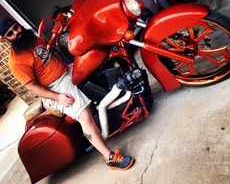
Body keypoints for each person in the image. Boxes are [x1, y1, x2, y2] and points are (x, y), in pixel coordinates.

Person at [0, 17, 134, 171]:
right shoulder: (16, 63)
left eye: (16, 27)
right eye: (11, 33)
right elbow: (32, 87)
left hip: (66, 72)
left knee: (99, 66)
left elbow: (47, 58)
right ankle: (110, 157)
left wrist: (66, 66)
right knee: (84, 116)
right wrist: (58, 97)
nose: (17, 33)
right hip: (54, 87)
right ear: (5, 39)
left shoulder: (33, 39)